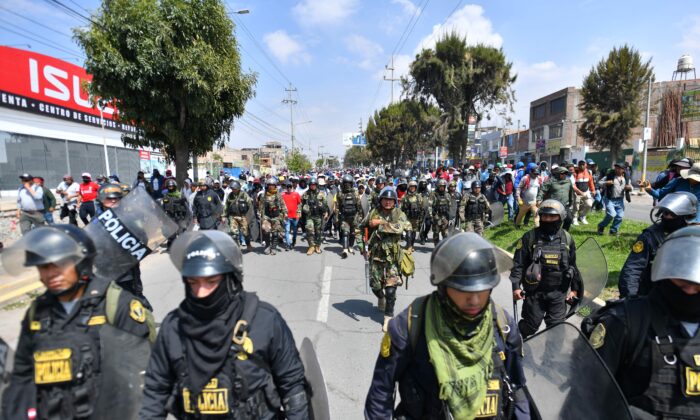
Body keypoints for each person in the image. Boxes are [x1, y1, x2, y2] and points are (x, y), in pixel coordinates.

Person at [139, 230, 310, 419]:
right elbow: (155, 391)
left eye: (211, 281)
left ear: (231, 281)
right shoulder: (174, 327)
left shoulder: (265, 320)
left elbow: (293, 386)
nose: (201, 292)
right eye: (193, 282)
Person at [365, 232, 529, 419]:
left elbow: (517, 389)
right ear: (444, 286)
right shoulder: (409, 326)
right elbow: (381, 394)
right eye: (463, 290)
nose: (474, 300)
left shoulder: (503, 324)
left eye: (482, 290)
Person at [0, 225, 155, 419]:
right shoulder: (38, 313)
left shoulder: (116, 305)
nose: (50, 274)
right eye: (44, 267)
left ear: (81, 261)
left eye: (59, 264)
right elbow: (21, 377)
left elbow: (145, 377)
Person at [583, 226, 700, 419]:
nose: (689, 291)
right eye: (681, 281)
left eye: (697, 285)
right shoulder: (625, 320)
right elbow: (586, 392)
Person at [510, 199, 580, 338]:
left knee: (556, 330)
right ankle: (512, 342)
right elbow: (518, 264)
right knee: (529, 326)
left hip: (559, 293)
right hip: (535, 292)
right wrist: (516, 287)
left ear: (560, 218)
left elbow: (573, 266)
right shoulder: (529, 237)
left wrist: (574, 289)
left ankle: (551, 359)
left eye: (552, 216)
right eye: (544, 216)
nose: (547, 219)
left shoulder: (567, 239)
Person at [618, 191, 698, 298]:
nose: (667, 217)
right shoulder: (650, 236)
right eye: (665, 213)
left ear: (685, 216)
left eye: (672, 214)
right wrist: (631, 300)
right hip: (654, 299)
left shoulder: (693, 237)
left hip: (685, 301)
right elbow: (633, 269)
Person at [358, 187, 411, 331]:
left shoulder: (399, 213)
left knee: (391, 291)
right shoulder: (373, 213)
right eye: (385, 199)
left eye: (391, 200)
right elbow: (360, 228)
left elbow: (400, 228)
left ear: (395, 201)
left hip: (392, 258)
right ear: (381, 200)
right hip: (375, 256)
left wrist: (380, 224)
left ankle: (388, 317)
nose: (388, 202)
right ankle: (380, 298)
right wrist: (362, 247)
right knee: (375, 287)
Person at [598, 162, 633, 236]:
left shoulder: (626, 178)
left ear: (623, 170)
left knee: (619, 216)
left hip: (620, 200)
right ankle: (601, 226)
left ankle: (613, 231)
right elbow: (599, 183)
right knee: (611, 214)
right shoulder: (610, 175)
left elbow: (631, 187)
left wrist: (629, 188)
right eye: (616, 168)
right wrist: (606, 182)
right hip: (609, 199)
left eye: (619, 168)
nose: (617, 169)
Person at [536, 166, 574, 231]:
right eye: (562, 173)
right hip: (553, 206)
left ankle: (564, 232)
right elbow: (543, 190)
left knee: (569, 219)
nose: (564, 175)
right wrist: (539, 199)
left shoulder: (568, 181)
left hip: (565, 205)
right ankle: (553, 233)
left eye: (565, 173)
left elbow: (571, 192)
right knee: (556, 221)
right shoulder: (551, 181)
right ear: (558, 174)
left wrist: (571, 201)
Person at [334, 174, 362, 258]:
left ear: (351, 183)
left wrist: (360, 217)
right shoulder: (340, 193)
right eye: (345, 183)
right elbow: (338, 206)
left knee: (353, 233)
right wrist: (337, 217)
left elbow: (359, 206)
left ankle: (350, 246)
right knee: (345, 232)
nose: (347, 185)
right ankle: (345, 249)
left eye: (349, 183)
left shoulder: (356, 193)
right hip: (344, 217)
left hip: (354, 217)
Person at [258, 178, 287, 255]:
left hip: (276, 216)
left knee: (275, 233)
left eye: (272, 185)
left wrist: (285, 213)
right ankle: (267, 246)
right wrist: (259, 213)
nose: (271, 187)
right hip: (266, 216)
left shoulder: (278, 195)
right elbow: (261, 206)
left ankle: (273, 247)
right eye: (269, 185)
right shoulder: (263, 195)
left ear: (275, 186)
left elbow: (283, 205)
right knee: (266, 231)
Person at [301, 178, 329, 256]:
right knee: (309, 230)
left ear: (316, 185)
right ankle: (311, 246)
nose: (312, 186)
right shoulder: (305, 194)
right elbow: (300, 203)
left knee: (318, 232)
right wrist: (299, 212)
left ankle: (317, 246)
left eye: (314, 184)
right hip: (309, 216)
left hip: (319, 216)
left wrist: (326, 212)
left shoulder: (322, 193)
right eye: (311, 185)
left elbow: (326, 204)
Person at [225, 180, 254, 252]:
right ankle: (237, 248)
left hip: (243, 216)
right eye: (232, 188)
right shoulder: (230, 195)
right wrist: (223, 215)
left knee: (245, 233)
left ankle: (248, 244)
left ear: (238, 188)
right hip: (233, 216)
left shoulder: (244, 195)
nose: (233, 190)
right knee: (233, 233)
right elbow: (226, 206)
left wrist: (249, 216)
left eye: (234, 188)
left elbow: (250, 205)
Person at [161, 179, 191, 248]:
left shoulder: (180, 196)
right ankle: (172, 245)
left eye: (171, 186)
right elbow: (163, 208)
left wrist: (187, 220)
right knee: (171, 233)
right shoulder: (166, 196)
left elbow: (187, 209)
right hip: (170, 218)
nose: (170, 188)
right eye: (169, 187)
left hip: (180, 217)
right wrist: (162, 218)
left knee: (181, 233)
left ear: (174, 186)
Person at [400, 180, 426, 251]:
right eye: (411, 187)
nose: (412, 188)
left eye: (413, 187)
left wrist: (423, 212)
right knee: (409, 231)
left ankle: (411, 245)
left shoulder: (419, 196)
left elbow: (422, 205)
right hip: (407, 217)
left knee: (414, 232)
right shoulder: (405, 196)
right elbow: (400, 207)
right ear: (409, 187)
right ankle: (409, 246)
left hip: (416, 217)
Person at [515, 164, 543, 228]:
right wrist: (518, 197)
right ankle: (517, 225)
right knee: (520, 215)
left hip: (534, 202)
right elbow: (519, 188)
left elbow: (541, 189)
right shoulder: (525, 178)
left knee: (536, 214)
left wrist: (540, 198)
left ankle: (537, 227)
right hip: (524, 202)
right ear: (530, 172)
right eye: (534, 174)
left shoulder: (539, 179)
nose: (536, 175)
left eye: (537, 174)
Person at [572, 160, 596, 225]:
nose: (582, 166)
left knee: (589, 204)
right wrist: (578, 192)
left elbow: (591, 182)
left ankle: (582, 216)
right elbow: (573, 184)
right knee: (576, 207)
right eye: (580, 164)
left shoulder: (588, 172)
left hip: (586, 192)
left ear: (586, 165)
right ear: (578, 165)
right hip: (577, 193)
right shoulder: (575, 172)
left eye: (583, 164)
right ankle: (574, 219)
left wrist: (593, 190)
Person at [428, 179, 451, 245]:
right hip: (436, 217)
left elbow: (449, 205)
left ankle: (444, 247)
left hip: (444, 217)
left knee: (445, 233)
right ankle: (436, 247)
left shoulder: (447, 195)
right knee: (436, 233)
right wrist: (431, 216)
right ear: (438, 186)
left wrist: (449, 215)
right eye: (440, 186)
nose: (442, 187)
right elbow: (429, 206)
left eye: (443, 186)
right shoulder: (433, 194)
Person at [281, 181, 302, 251]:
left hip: (295, 216)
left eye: (290, 187)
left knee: (295, 231)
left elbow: (299, 204)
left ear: (292, 187)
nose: (289, 188)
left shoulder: (296, 194)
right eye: (288, 187)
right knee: (287, 231)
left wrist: (299, 212)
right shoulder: (283, 195)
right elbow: (281, 206)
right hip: (287, 216)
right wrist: (283, 214)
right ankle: (288, 244)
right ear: (286, 188)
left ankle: (294, 240)